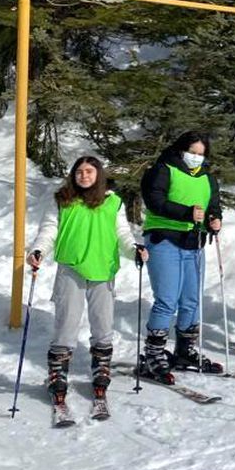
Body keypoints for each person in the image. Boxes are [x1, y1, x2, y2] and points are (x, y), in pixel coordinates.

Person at [28, 156, 144, 410]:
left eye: (89, 171)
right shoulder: (62, 199)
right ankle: (58, 372)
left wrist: (134, 250)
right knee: (66, 322)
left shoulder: (112, 201)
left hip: (103, 270)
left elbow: (122, 234)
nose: (84, 176)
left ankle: (101, 369)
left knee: (103, 322)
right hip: (71, 269)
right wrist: (38, 251)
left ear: (98, 174)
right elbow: (49, 230)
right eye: (79, 172)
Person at [139, 131, 223, 382]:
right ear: (181, 150)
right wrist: (186, 213)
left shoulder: (208, 178)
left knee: (191, 299)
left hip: (193, 242)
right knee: (167, 299)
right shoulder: (164, 168)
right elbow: (154, 200)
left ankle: (185, 350)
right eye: (192, 153)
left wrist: (214, 220)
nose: (196, 158)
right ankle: (154, 353)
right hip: (164, 239)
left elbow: (213, 206)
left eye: (200, 154)